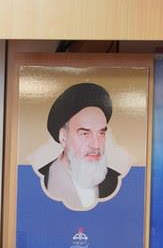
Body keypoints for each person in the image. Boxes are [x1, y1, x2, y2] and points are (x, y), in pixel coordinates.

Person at [37, 82, 125, 211]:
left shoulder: (116, 182)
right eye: (85, 134)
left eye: (101, 133)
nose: (96, 145)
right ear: (63, 137)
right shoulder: (39, 180)